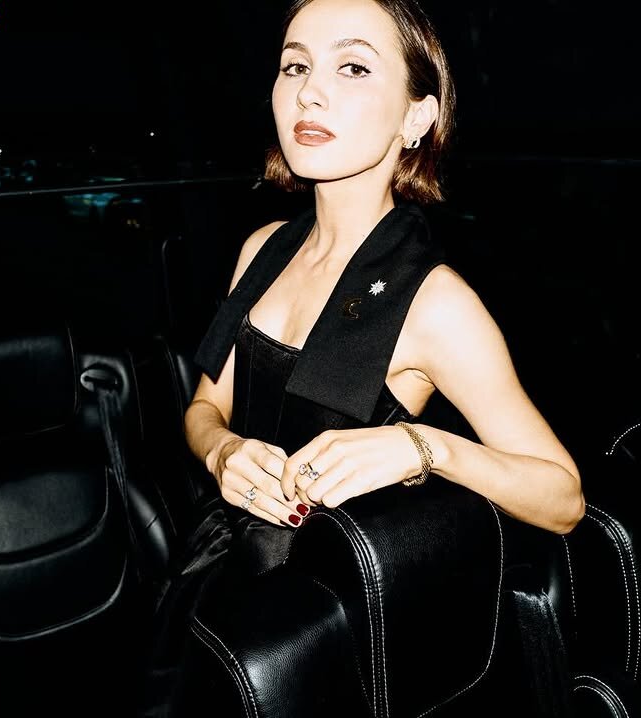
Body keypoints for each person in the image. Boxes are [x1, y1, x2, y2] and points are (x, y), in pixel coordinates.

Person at [142, 0, 583, 712]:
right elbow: (203, 407)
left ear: (416, 117)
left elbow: (562, 498)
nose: (310, 92)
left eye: (352, 67)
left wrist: (423, 447)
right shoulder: (261, 249)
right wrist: (222, 452)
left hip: (326, 617)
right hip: (212, 568)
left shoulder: (434, 302)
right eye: (295, 66)